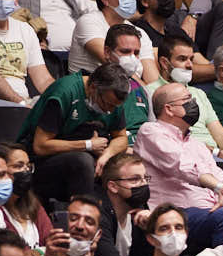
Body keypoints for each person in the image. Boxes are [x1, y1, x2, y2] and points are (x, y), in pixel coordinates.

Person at [134, 84, 223, 252]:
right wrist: (219, 188)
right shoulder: (150, 131)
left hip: (210, 211)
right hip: (175, 214)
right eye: (187, 99)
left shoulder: (197, 144)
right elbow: (181, 166)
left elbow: (218, 176)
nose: (193, 103)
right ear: (169, 109)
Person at [17, 61, 140, 205]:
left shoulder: (112, 99)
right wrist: (87, 145)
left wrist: (106, 155)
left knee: (130, 166)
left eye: (115, 107)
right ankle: (83, 213)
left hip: (86, 157)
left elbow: (121, 138)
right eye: (107, 104)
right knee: (83, 161)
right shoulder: (64, 92)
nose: (110, 111)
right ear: (93, 87)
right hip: (39, 163)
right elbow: (40, 146)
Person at [68, 0, 158, 78]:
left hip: (130, 86)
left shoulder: (139, 32)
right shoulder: (89, 22)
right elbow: (116, 67)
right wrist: (139, 88)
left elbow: (152, 78)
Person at [92, 151, 151, 256]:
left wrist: (152, 229)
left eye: (145, 178)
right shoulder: (97, 214)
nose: (144, 184)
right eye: (135, 179)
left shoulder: (139, 207)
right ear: (113, 186)